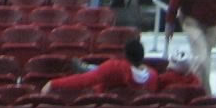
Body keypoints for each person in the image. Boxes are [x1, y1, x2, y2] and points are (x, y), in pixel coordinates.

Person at [42, 37, 199, 96]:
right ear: (142, 57)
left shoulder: (115, 67)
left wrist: (53, 84)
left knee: (97, 74)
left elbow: (84, 81)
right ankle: (91, 67)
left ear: (125, 54)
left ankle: (90, 67)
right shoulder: (153, 76)